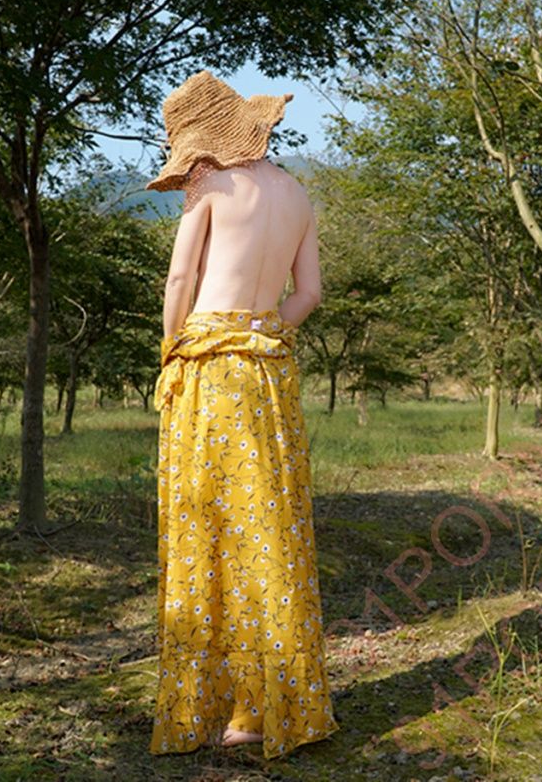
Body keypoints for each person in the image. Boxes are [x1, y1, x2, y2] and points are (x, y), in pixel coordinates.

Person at [145, 71, 339, 760]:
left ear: (206, 142)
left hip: (208, 368)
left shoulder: (209, 186)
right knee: (268, 529)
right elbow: (308, 293)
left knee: (207, 528)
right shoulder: (297, 193)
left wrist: (173, 349)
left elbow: (180, 279)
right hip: (268, 368)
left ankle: (207, 701)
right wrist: (262, 330)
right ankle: (267, 704)